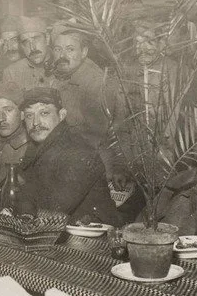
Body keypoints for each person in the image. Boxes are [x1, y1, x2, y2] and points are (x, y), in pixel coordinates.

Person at [15, 87, 120, 225]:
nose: (35, 123)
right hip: (62, 232)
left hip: (95, 238)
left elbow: (51, 209)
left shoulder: (77, 150)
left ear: (62, 114)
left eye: (44, 113)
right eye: (29, 115)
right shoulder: (38, 148)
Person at [1, 16, 51, 89]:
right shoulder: (12, 72)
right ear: (21, 46)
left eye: (36, 39)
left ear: (47, 38)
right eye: (26, 42)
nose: (32, 48)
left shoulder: (62, 64)